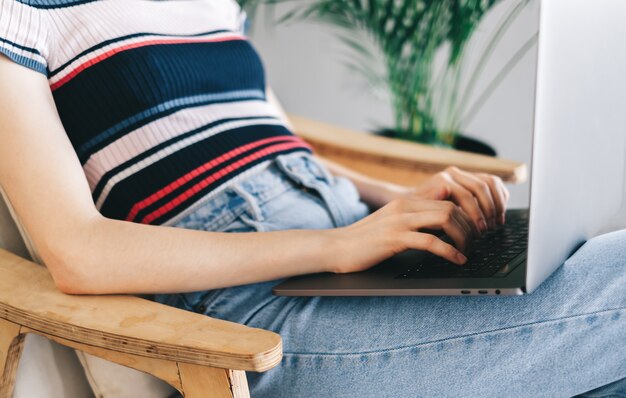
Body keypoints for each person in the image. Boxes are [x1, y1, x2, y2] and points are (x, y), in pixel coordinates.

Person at [0, 0, 623, 396]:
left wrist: (405, 202)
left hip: (353, 237)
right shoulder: (23, 10)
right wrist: (336, 245)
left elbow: (280, 149)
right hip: (252, 314)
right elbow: (78, 252)